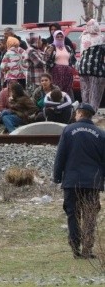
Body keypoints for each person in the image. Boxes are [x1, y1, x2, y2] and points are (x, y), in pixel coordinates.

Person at [53, 103, 105, 259]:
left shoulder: (68, 131)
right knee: (90, 215)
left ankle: (75, 248)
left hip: (72, 181)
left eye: (76, 113)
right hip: (92, 182)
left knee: (73, 214)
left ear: (80, 114)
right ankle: (87, 249)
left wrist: (57, 176)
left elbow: (60, 155)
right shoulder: (101, 134)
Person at [77, 19, 104, 110]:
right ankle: (92, 111)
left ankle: (85, 110)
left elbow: (81, 54)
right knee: (94, 91)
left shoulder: (83, 36)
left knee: (85, 90)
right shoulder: (101, 38)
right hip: (95, 69)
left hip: (82, 69)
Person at [44, 30, 76, 96]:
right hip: (55, 73)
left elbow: (73, 60)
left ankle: (66, 104)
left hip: (67, 73)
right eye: (57, 37)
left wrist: (70, 67)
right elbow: (45, 60)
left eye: (61, 36)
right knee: (56, 90)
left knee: (67, 91)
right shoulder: (50, 47)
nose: (59, 38)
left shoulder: (68, 48)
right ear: (54, 37)